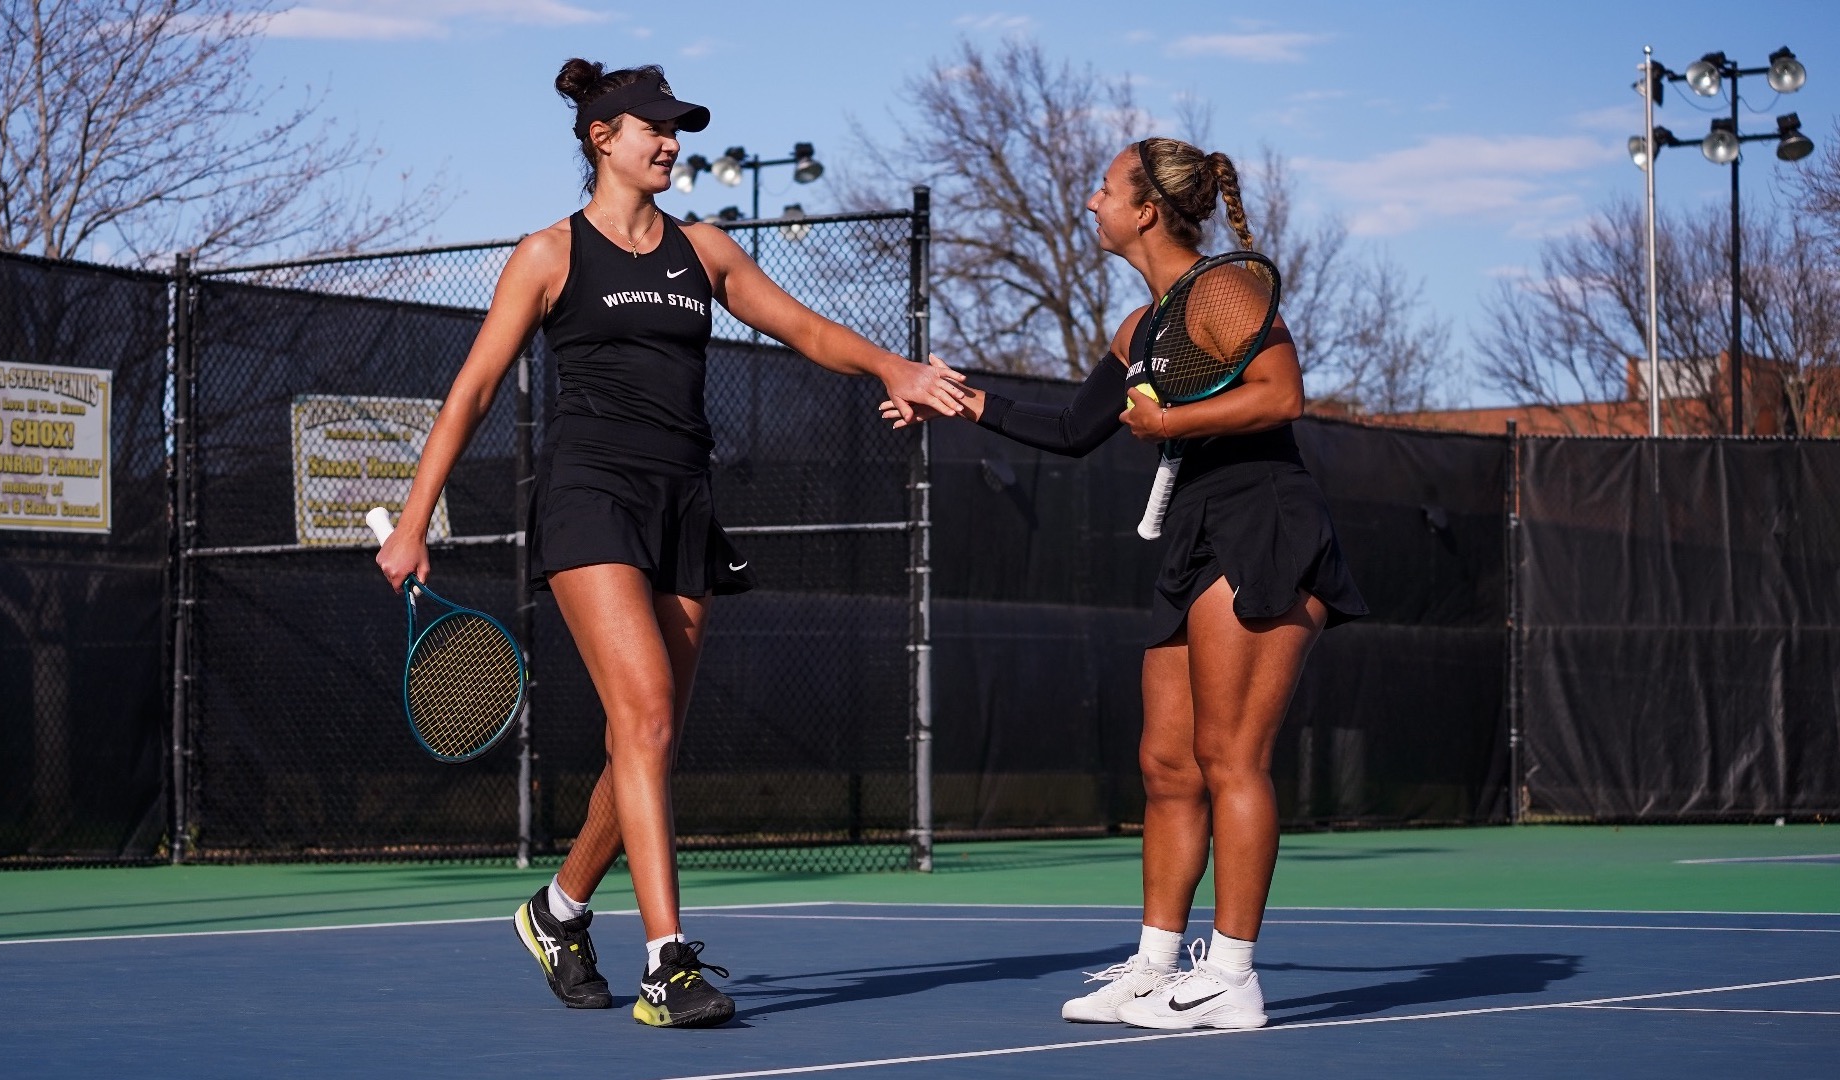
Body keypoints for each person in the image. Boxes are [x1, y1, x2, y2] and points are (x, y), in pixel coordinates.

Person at [374, 58, 968, 1029]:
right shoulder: (547, 254)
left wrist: (890, 367)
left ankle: (559, 910)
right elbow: (475, 388)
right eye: (654, 126)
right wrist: (412, 519)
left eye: (677, 127)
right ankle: (669, 964)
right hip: (587, 496)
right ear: (602, 136)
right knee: (644, 713)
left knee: (647, 739)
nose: (671, 141)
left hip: (683, 499)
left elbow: (802, 328)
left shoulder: (706, 250)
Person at [883, 137, 1366, 1031]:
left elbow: (1281, 395)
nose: (1090, 205)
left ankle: (1231, 977)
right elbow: (1073, 427)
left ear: (1146, 209)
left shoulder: (1226, 289)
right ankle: (1153, 967)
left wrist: (1175, 418)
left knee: (1231, 760)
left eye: (1102, 191)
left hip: (1263, 524)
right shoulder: (1140, 329)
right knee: (1166, 765)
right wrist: (956, 398)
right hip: (1194, 537)